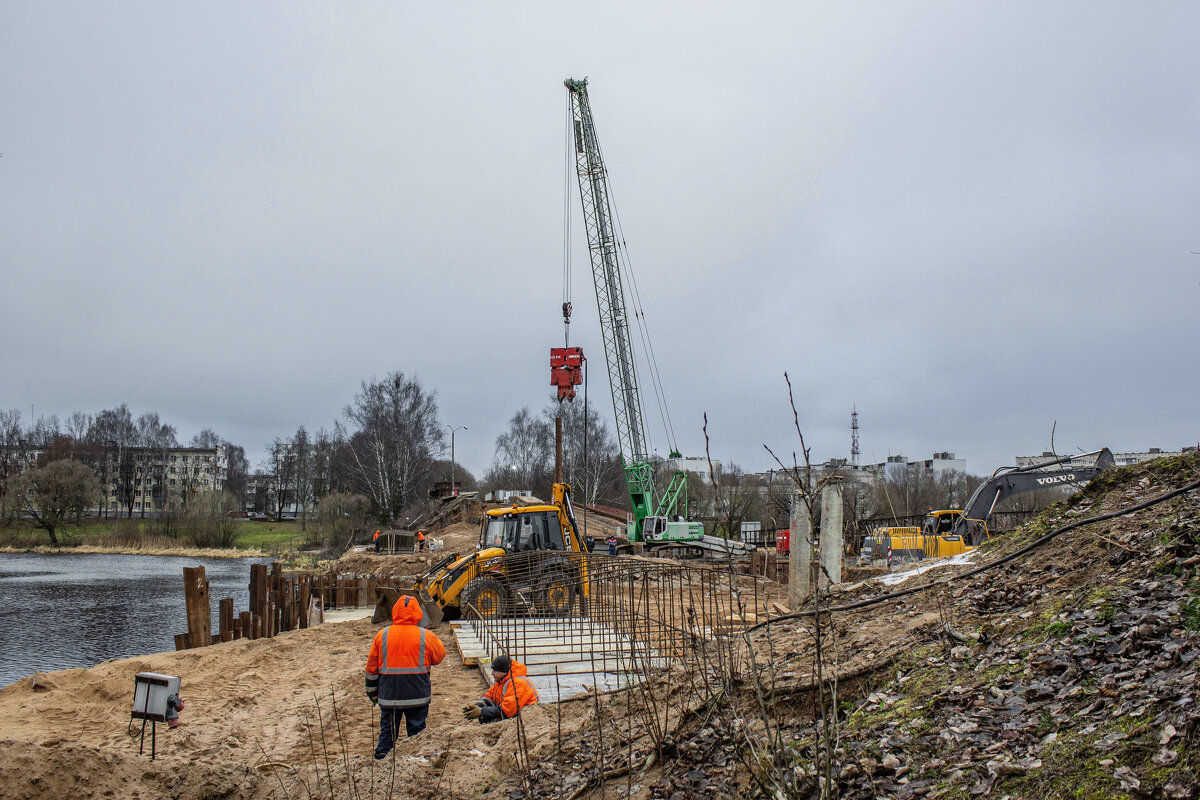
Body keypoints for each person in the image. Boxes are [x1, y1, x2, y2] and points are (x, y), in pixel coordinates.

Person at [365, 594, 446, 759]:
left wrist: (372, 693)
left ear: (395, 612)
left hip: (389, 696)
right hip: (417, 694)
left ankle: (382, 757)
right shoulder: (426, 636)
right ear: (418, 614)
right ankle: (417, 760)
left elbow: (371, 669)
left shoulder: (382, 635)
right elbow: (439, 657)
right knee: (417, 734)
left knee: (387, 732)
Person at [462, 654, 538, 724]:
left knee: (493, 721)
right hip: (511, 711)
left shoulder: (518, 683)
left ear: (504, 672)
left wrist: (481, 711)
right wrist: (477, 706)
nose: (492, 673)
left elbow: (508, 710)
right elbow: (490, 697)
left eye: (495, 671)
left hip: (526, 716)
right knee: (485, 717)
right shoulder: (500, 681)